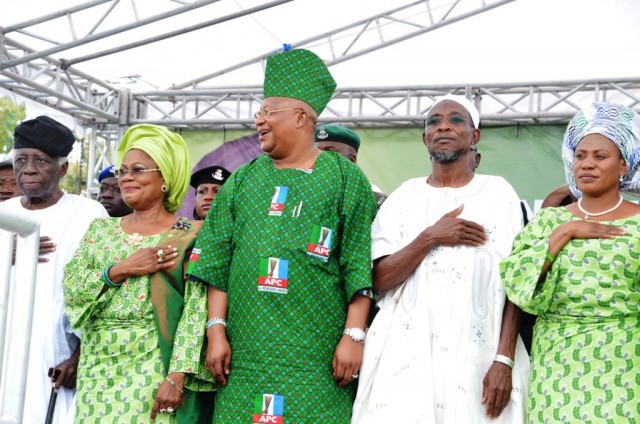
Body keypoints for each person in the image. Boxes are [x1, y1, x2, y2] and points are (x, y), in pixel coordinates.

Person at [188, 48, 376, 423]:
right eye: (259, 113)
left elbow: (357, 261)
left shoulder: (344, 178)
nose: (259, 121)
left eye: (268, 112)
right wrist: (216, 331)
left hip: (316, 355)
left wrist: (353, 335)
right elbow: (217, 264)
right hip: (245, 356)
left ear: (301, 117)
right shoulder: (242, 179)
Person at [352, 94, 529, 423]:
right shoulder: (404, 197)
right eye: (434, 121)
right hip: (404, 358)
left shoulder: (499, 193)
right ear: (424, 138)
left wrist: (504, 360)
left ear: (474, 136)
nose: (443, 126)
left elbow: (515, 285)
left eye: (456, 120)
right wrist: (431, 236)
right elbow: (378, 280)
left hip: (478, 354)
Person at [63, 124, 215, 423]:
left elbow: (196, 310)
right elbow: (72, 289)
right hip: (97, 362)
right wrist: (120, 269)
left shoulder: (190, 233)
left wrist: (176, 375)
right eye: (122, 171)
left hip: (152, 358)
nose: (126, 177)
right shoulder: (100, 229)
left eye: (137, 169)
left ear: (164, 179)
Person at [500, 102, 640, 423]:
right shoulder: (549, 221)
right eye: (580, 156)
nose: (587, 164)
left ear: (622, 166)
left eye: (600, 156)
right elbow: (517, 285)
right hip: (557, 363)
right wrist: (563, 233)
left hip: (624, 359)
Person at [0, 115, 108, 424]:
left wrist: (79, 356)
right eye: (21, 160)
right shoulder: (3, 214)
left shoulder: (88, 213)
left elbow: (103, 290)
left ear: (62, 169)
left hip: (55, 355)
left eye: (41, 161)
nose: (28, 169)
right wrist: (8, 253)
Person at [315, 124, 387, 208]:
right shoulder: (307, 191)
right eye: (316, 151)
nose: (320, 157)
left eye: (330, 151)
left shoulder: (371, 196)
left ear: (351, 160)